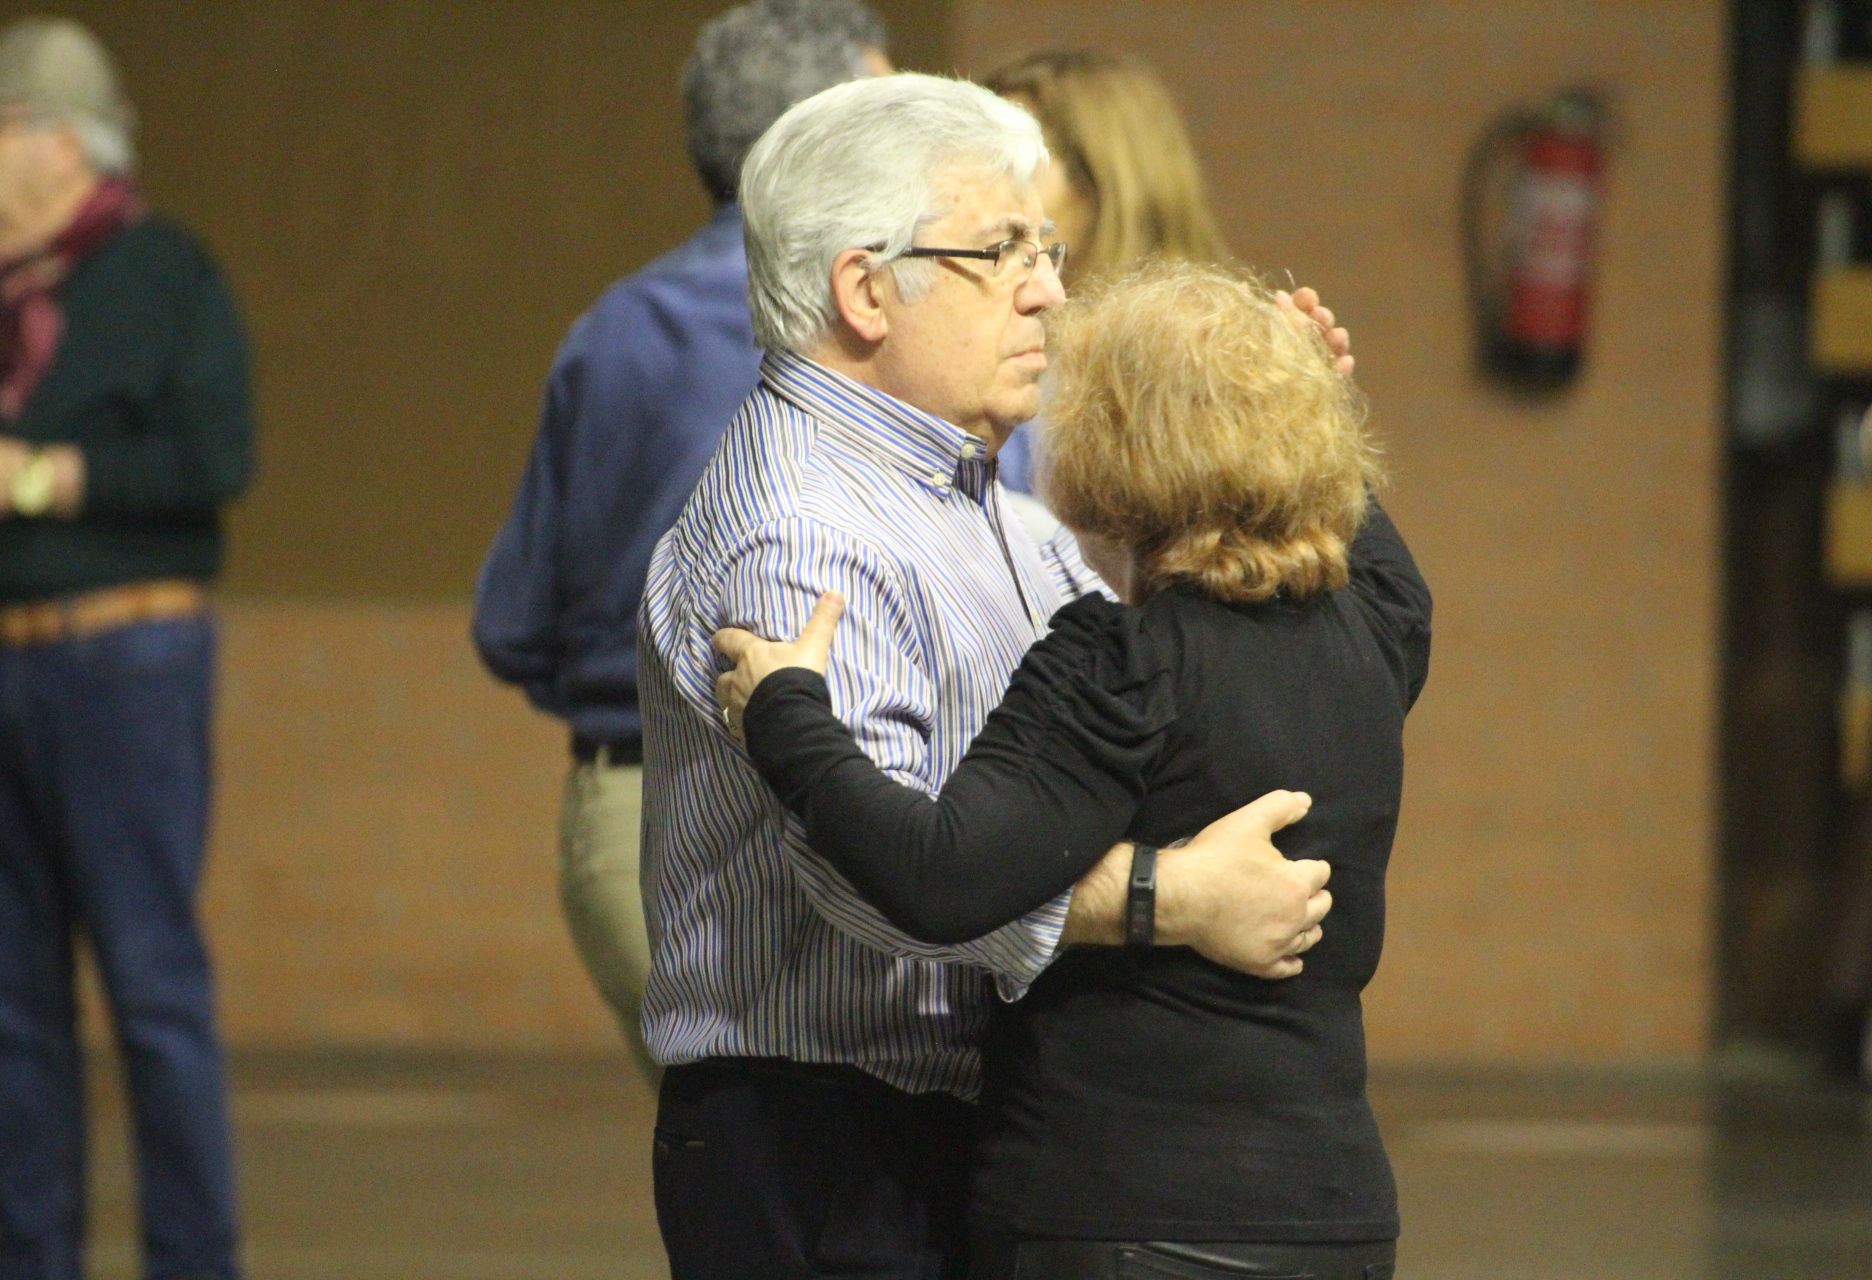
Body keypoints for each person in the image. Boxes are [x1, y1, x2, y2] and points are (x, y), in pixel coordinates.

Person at [638, 73, 1338, 1280]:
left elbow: (1143, 716)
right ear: (865, 288)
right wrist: (1172, 896)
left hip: (931, 1125)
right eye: (1001, 248)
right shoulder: (807, 531)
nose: (1050, 290)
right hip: (825, 1141)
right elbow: (876, 873)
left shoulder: (986, 504)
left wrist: (1272, 442)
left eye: (1047, 246)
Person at [716, 259, 1430, 1279]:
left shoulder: (1122, 662)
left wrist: (787, 713)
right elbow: (1385, 565)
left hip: (1128, 1214)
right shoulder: (1373, 635)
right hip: (1338, 1216)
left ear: (1116, 451)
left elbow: (936, 876)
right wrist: (1294, 391)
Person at [471, 0, 891, 1082]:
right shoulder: (897, 337)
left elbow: (510, 626)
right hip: (856, 804)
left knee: (738, 1175)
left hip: (634, 805)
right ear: (827, 138)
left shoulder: (612, 332)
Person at [0, 17, 253, 1280]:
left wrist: (26, 480)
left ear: (59, 143)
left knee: (149, 986)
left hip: (122, 660)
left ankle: (192, 1260)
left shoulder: (167, 277)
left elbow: (210, 465)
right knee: (9, 1004)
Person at [981, 48, 1351, 502]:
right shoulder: (986, 344)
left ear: (1103, 179)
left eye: (1016, 161)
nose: (988, 185)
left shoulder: (1211, 348)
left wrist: (1294, 418)